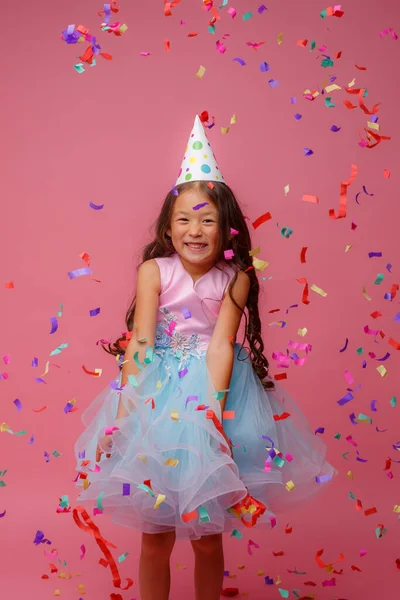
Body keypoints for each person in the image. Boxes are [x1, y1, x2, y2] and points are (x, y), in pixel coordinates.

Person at [74, 115, 337, 600]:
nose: (196, 230)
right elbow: (142, 343)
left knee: (207, 530)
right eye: (184, 220)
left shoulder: (234, 278)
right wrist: (125, 409)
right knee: (155, 530)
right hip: (157, 395)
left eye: (208, 219)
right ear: (168, 227)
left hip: (217, 390)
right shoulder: (154, 271)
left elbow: (221, 345)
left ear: (226, 228)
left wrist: (212, 412)